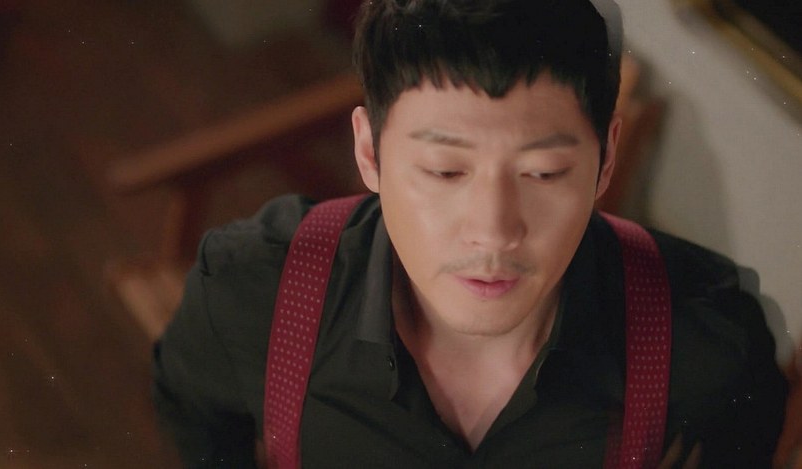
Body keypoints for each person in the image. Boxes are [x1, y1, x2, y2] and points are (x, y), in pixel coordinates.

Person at [151, 0, 788, 467]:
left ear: (605, 160)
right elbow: (193, 414)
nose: (493, 231)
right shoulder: (252, 291)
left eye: (544, 173)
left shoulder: (709, 336)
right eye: (444, 170)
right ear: (370, 153)